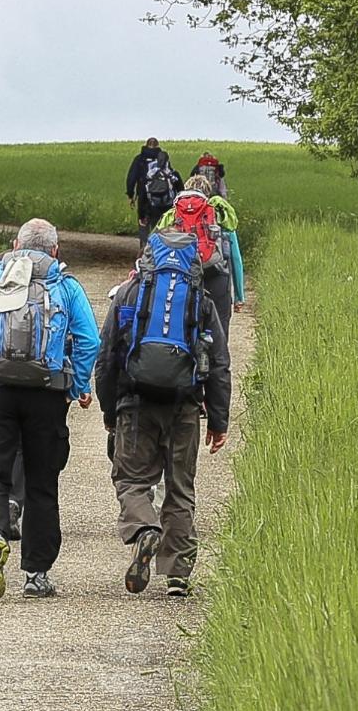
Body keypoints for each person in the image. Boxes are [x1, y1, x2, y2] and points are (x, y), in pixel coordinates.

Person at [0, 219, 99, 600]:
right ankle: (37, 574)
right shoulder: (65, 286)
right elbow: (89, 340)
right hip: (47, 393)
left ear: (17, 244)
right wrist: (78, 385)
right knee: (41, 483)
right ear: (55, 250)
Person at [98, 226, 232, 597]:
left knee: (131, 480)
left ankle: (144, 529)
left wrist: (111, 410)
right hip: (185, 406)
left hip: (135, 403)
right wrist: (218, 420)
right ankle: (178, 574)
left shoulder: (129, 293)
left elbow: (107, 356)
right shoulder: (200, 301)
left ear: (148, 257)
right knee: (180, 487)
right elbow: (219, 363)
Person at [157, 174, 247, 323]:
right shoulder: (218, 214)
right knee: (219, 327)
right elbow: (235, 258)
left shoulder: (173, 215)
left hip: (182, 277)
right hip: (216, 275)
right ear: (208, 193)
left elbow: (157, 246)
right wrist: (239, 297)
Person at [125, 137, 175, 234]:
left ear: (146, 145)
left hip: (144, 196)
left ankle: (144, 244)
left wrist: (130, 195)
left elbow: (131, 178)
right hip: (163, 198)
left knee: (143, 221)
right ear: (157, 146)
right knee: (160, 224)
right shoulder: (163, 158)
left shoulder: (139, 159)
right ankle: (158, 244)